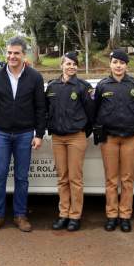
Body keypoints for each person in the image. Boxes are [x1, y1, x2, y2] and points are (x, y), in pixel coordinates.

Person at [0, 36, 46, 233]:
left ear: (23, 54)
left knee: (21, 177)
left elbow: (40, 107)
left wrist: (39, 134)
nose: (12, 56)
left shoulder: (35, 77)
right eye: (9, 53)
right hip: (0, 133)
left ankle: (20, 215)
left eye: (16, 53)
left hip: (25, 134)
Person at [94, 49, 134, 232]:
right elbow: (95, 110)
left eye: (122, 63)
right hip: (109, 139)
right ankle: (111, 215)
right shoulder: (102, 86)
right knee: (111, 179)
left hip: (130, 138)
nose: (118, 66)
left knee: (127, 179)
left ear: (126, 65)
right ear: (110, 64)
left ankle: (125, 215)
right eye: (115, 62)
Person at [46, 51, 94, 231]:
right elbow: (47, 110)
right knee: (62, 178)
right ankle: (63, 214)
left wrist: (83, 132)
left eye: (74, 64)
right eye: (68, 64)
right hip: (58, 138)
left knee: (75, 178)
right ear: (61, 66)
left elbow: (91, 114)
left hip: (76, 137)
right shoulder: (52, 87)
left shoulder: (83, 87)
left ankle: (75, 216)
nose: (71, 67)